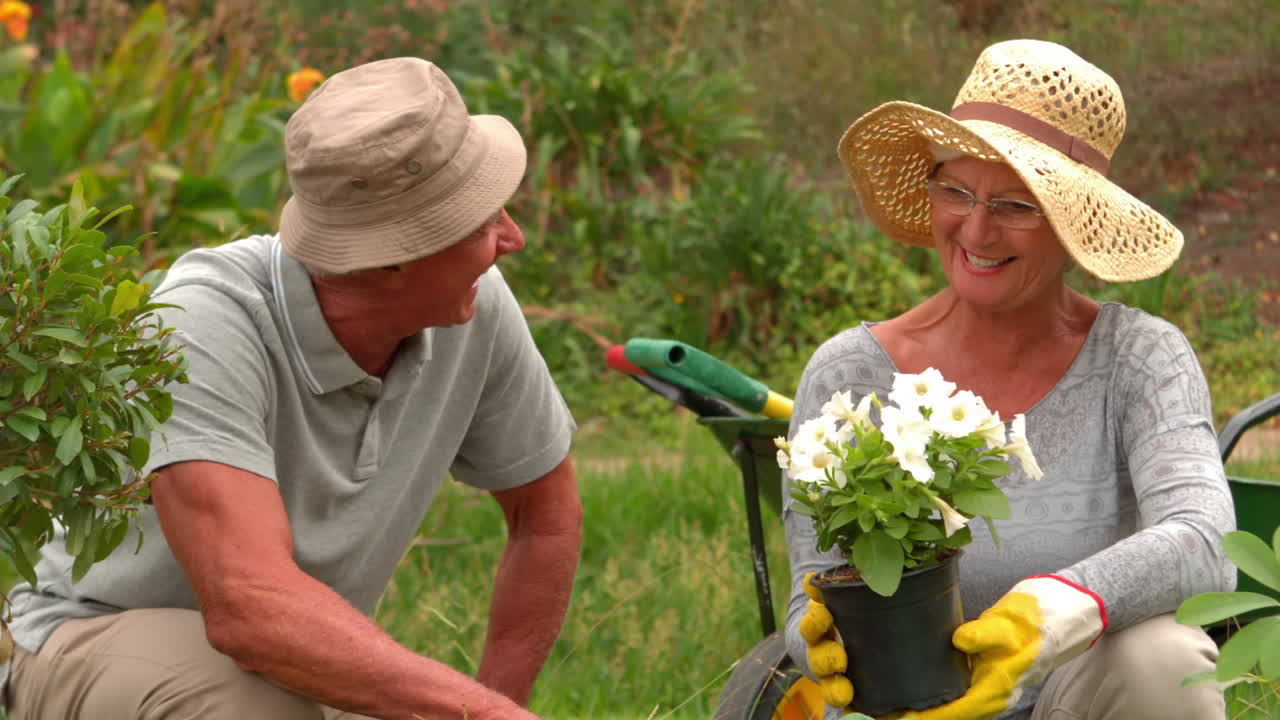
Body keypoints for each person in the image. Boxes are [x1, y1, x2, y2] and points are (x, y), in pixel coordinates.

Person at [3, 57, 582, 720]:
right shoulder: (204, 320)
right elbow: (250, 608)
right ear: (392, 257)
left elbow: (547, 516)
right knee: (254, 704)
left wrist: (499, 703)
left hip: (284, 674)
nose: (513, 237)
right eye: (480, 221)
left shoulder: (472, 304)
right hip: (83, 640)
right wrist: (481, 715)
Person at [783, 40, 1235, 720]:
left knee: (1164, 661)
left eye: (1016, 205)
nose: (975, 229)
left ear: (1071, 224)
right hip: (899, 712)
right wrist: (814, 642)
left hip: (1073, 700)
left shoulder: (1137, 359)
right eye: (955, 191)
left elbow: (1204, 540)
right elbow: (809, 594)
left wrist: (1055, 606)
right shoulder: (851, 374)